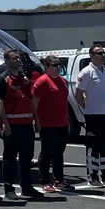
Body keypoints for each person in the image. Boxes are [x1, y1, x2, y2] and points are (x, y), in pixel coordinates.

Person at [0, 49, 41, 199]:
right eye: (14, 59)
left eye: (19, 58)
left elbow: (30, 100)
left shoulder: (24, 79)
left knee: (27, 157)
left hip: (26, 123)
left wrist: (36, 119)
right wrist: (5, 123)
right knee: (10, 158)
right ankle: (9, 188)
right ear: (7, 61)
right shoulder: (3, 79)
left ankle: (27, 186)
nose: (18, 61)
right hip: (12, 124)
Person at [75, 46, 105, 187]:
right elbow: (78, 94)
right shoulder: (86, 72)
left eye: (104, 53)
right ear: (92, 55)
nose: (103, 55)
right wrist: (87, 107)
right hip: (93, 115)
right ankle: (92, 175)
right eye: (100, 53)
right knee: (93, 146)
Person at [33, 55, 73, 192]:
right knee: (47, 152)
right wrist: (36, 120)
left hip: (62, 122)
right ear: (47, 67)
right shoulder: (42, 82)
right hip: (47, 123)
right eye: (54, 65)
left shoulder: (63, 81)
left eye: (59, 65)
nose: (57, 67)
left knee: (58, 152)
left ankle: (59, 179)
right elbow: (34, 103)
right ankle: (45, 180)